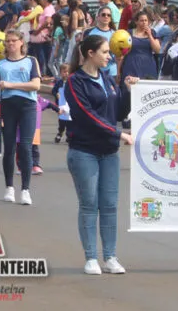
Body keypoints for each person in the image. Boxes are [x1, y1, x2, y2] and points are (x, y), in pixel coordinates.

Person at [64, 34, 136, 275]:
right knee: (89, 204)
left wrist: (127, 91)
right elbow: (86, 115)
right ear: (90, 53)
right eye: (105, 52)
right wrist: (118, 134)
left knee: (109, 205)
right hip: (84, 151)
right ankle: (91, 257)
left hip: (109, 153)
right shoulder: (75, 81)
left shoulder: (107, 79)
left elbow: (119, 111)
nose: (109, 56)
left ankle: (111, 256)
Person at [0, 30, 41, 205]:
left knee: (26, 147)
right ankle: (9, 187)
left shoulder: (30, 61)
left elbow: (36, 85)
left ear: (21, 42)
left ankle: (26, 190)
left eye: (14, 41)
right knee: (9, 147)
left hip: (27, 106)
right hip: (7, 106)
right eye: (8, 41)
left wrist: (11, 85)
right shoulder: (0, 64)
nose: (10, 44)